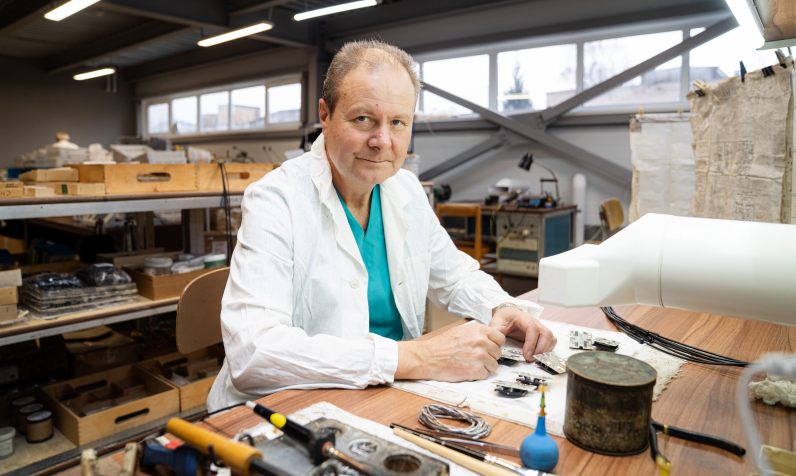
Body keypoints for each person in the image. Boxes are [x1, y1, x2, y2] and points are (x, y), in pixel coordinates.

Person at [207, 39, 557, 410]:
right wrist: (416, 358)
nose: (382, 141)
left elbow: (455, 277)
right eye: (363, 119)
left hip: (386, 395)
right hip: (287, 408)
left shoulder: (405, 189)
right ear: (325, 115)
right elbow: (253, 354)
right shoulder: (276, 199)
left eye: (398, 122)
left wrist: (501, 307)